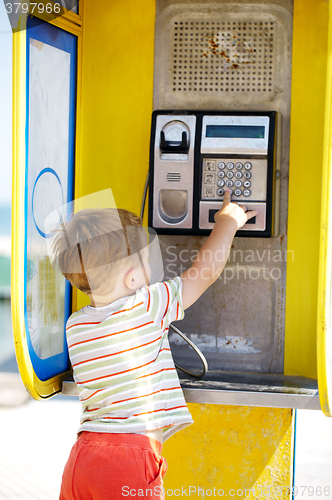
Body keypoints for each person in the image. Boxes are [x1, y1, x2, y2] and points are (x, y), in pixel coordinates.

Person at [56, 190, 257, 500]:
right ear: (134, 278)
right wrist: (228, 222)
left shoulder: (76, 325)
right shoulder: (147, 305)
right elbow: (204, 273)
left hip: (82, 458)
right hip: (129, 459)